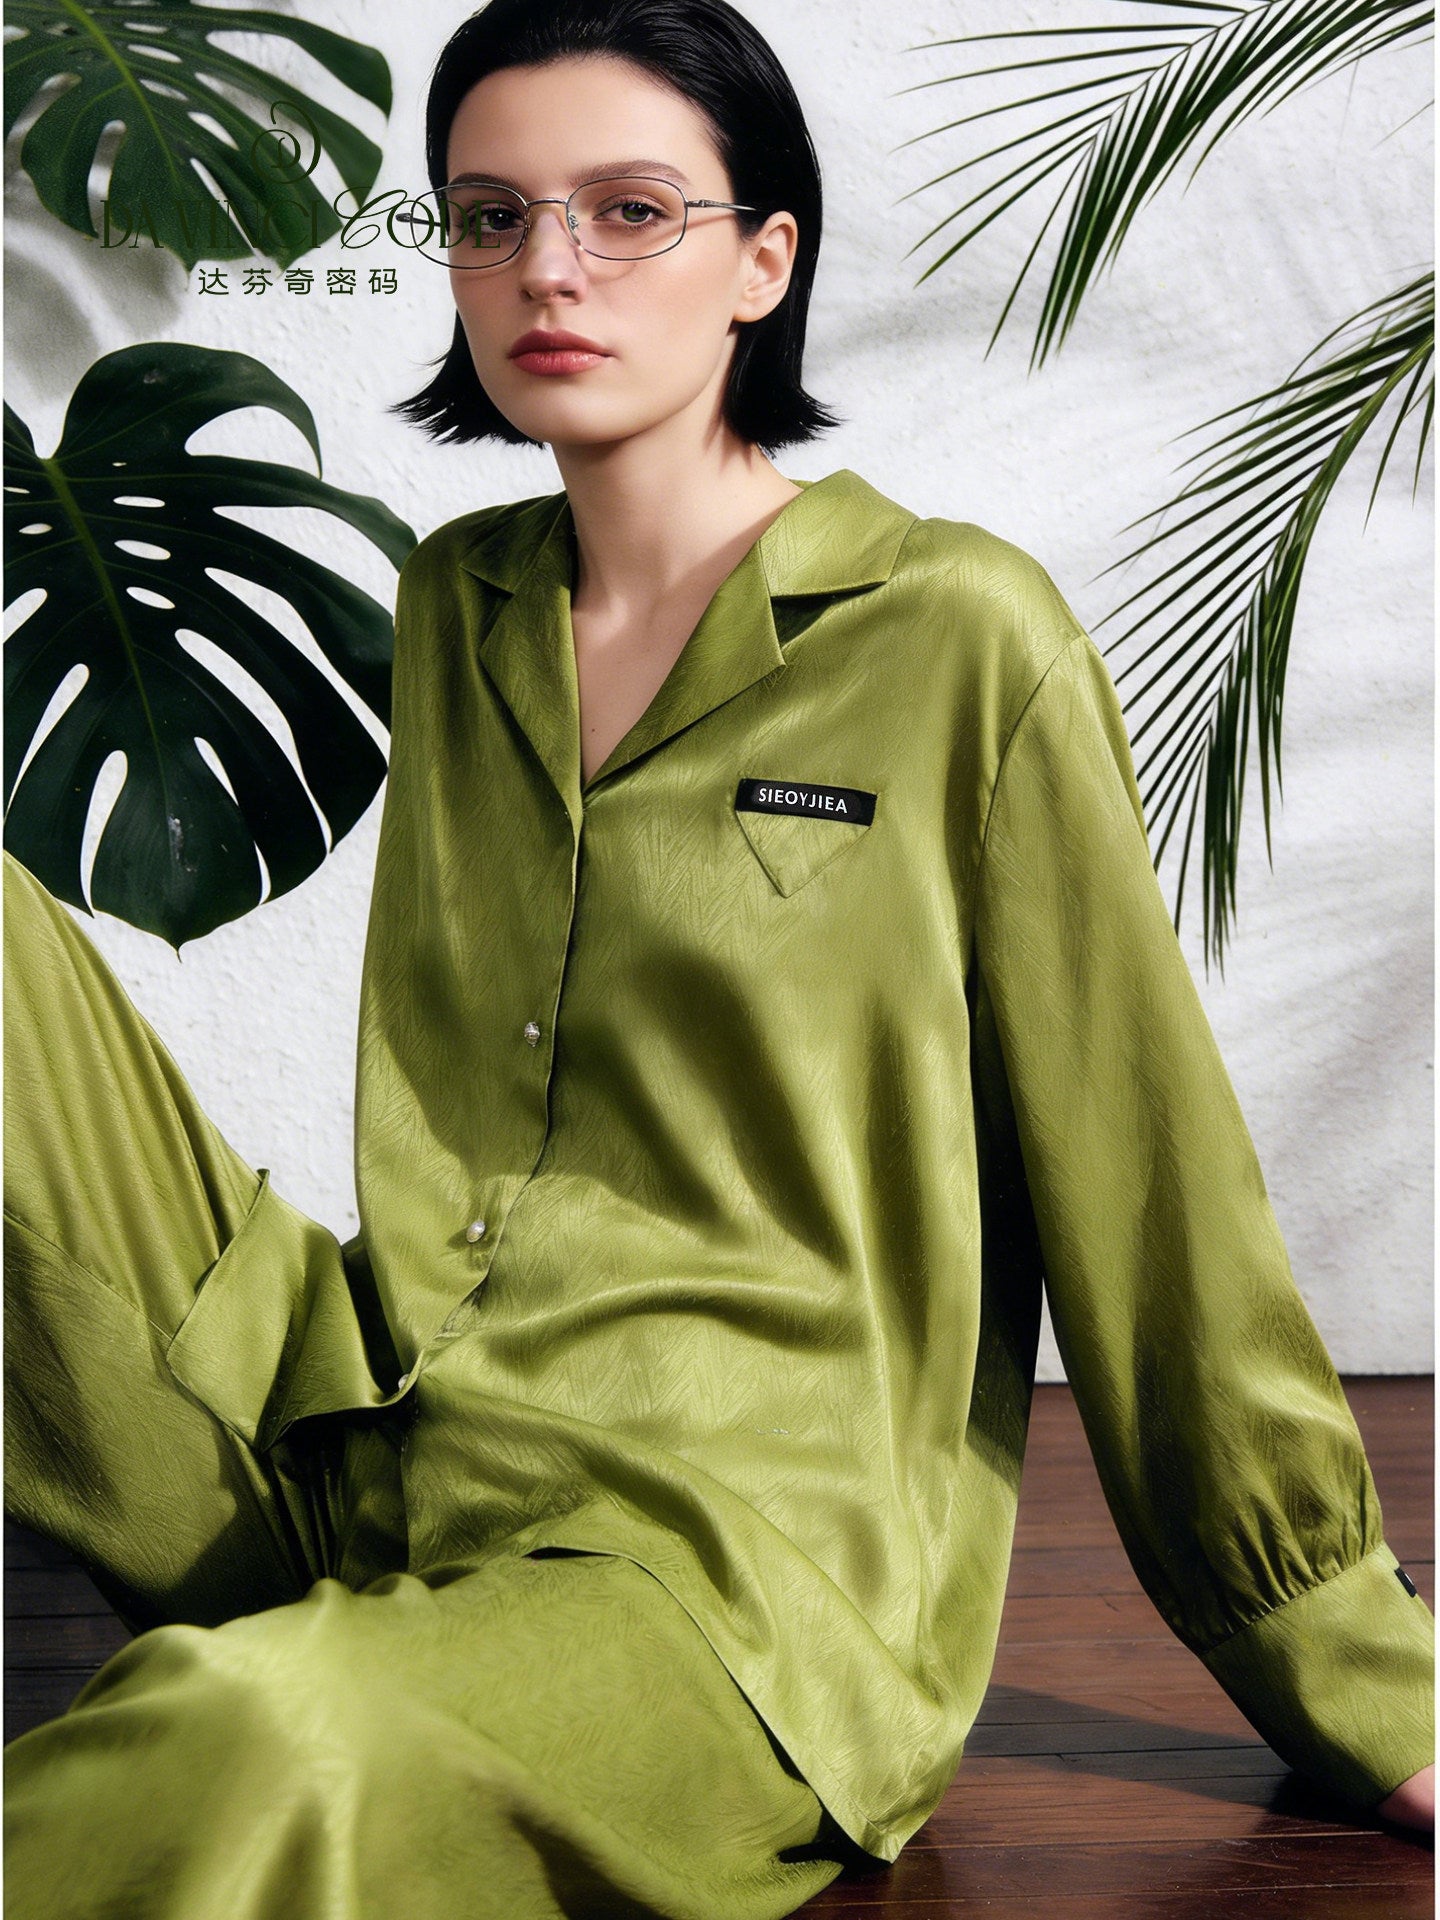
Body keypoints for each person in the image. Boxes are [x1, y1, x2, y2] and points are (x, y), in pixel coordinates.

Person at [4, 0, 1433, 1913]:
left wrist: (1354, 1669)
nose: (549, 267)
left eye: (629, 211)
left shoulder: (959, 637)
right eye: (492, 216)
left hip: (723, 1567)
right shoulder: (464, 606)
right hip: (370, 1434)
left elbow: (1148, 1178)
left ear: (765, 259)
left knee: (270, 1743)